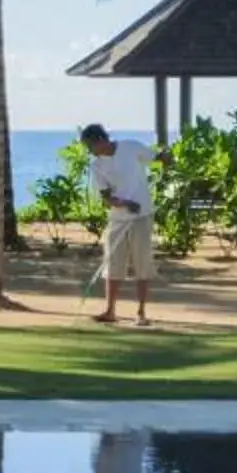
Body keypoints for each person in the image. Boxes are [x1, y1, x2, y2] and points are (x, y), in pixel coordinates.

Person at [81, 123, 155, 326]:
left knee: (142, 263)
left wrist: (166, 158)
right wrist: (124, 203)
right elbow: (106, 198)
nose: (90, 151)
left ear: (101, 140)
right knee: (113, 265)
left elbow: (155, 157)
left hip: (142, 217)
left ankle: (141, 312)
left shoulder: (131, 147)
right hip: (118, 220)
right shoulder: (97, 166)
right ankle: (110, 310)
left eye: (90, 146)